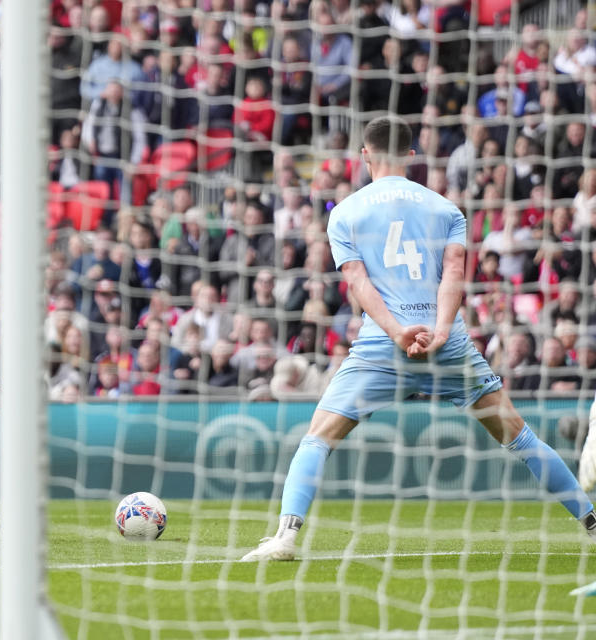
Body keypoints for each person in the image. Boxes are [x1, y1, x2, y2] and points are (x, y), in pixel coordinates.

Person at [241, 116, 596, 563]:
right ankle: (591, 523)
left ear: (365, 154)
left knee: (317, 439)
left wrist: (396, 331)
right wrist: (442, 330)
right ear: (412, 156)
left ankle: (286, 537)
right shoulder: (446, 207)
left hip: (382, 348)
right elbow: (453, 273)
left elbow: (358, 283)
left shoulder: (345, 211)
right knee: (520, 439)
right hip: (447, 345)